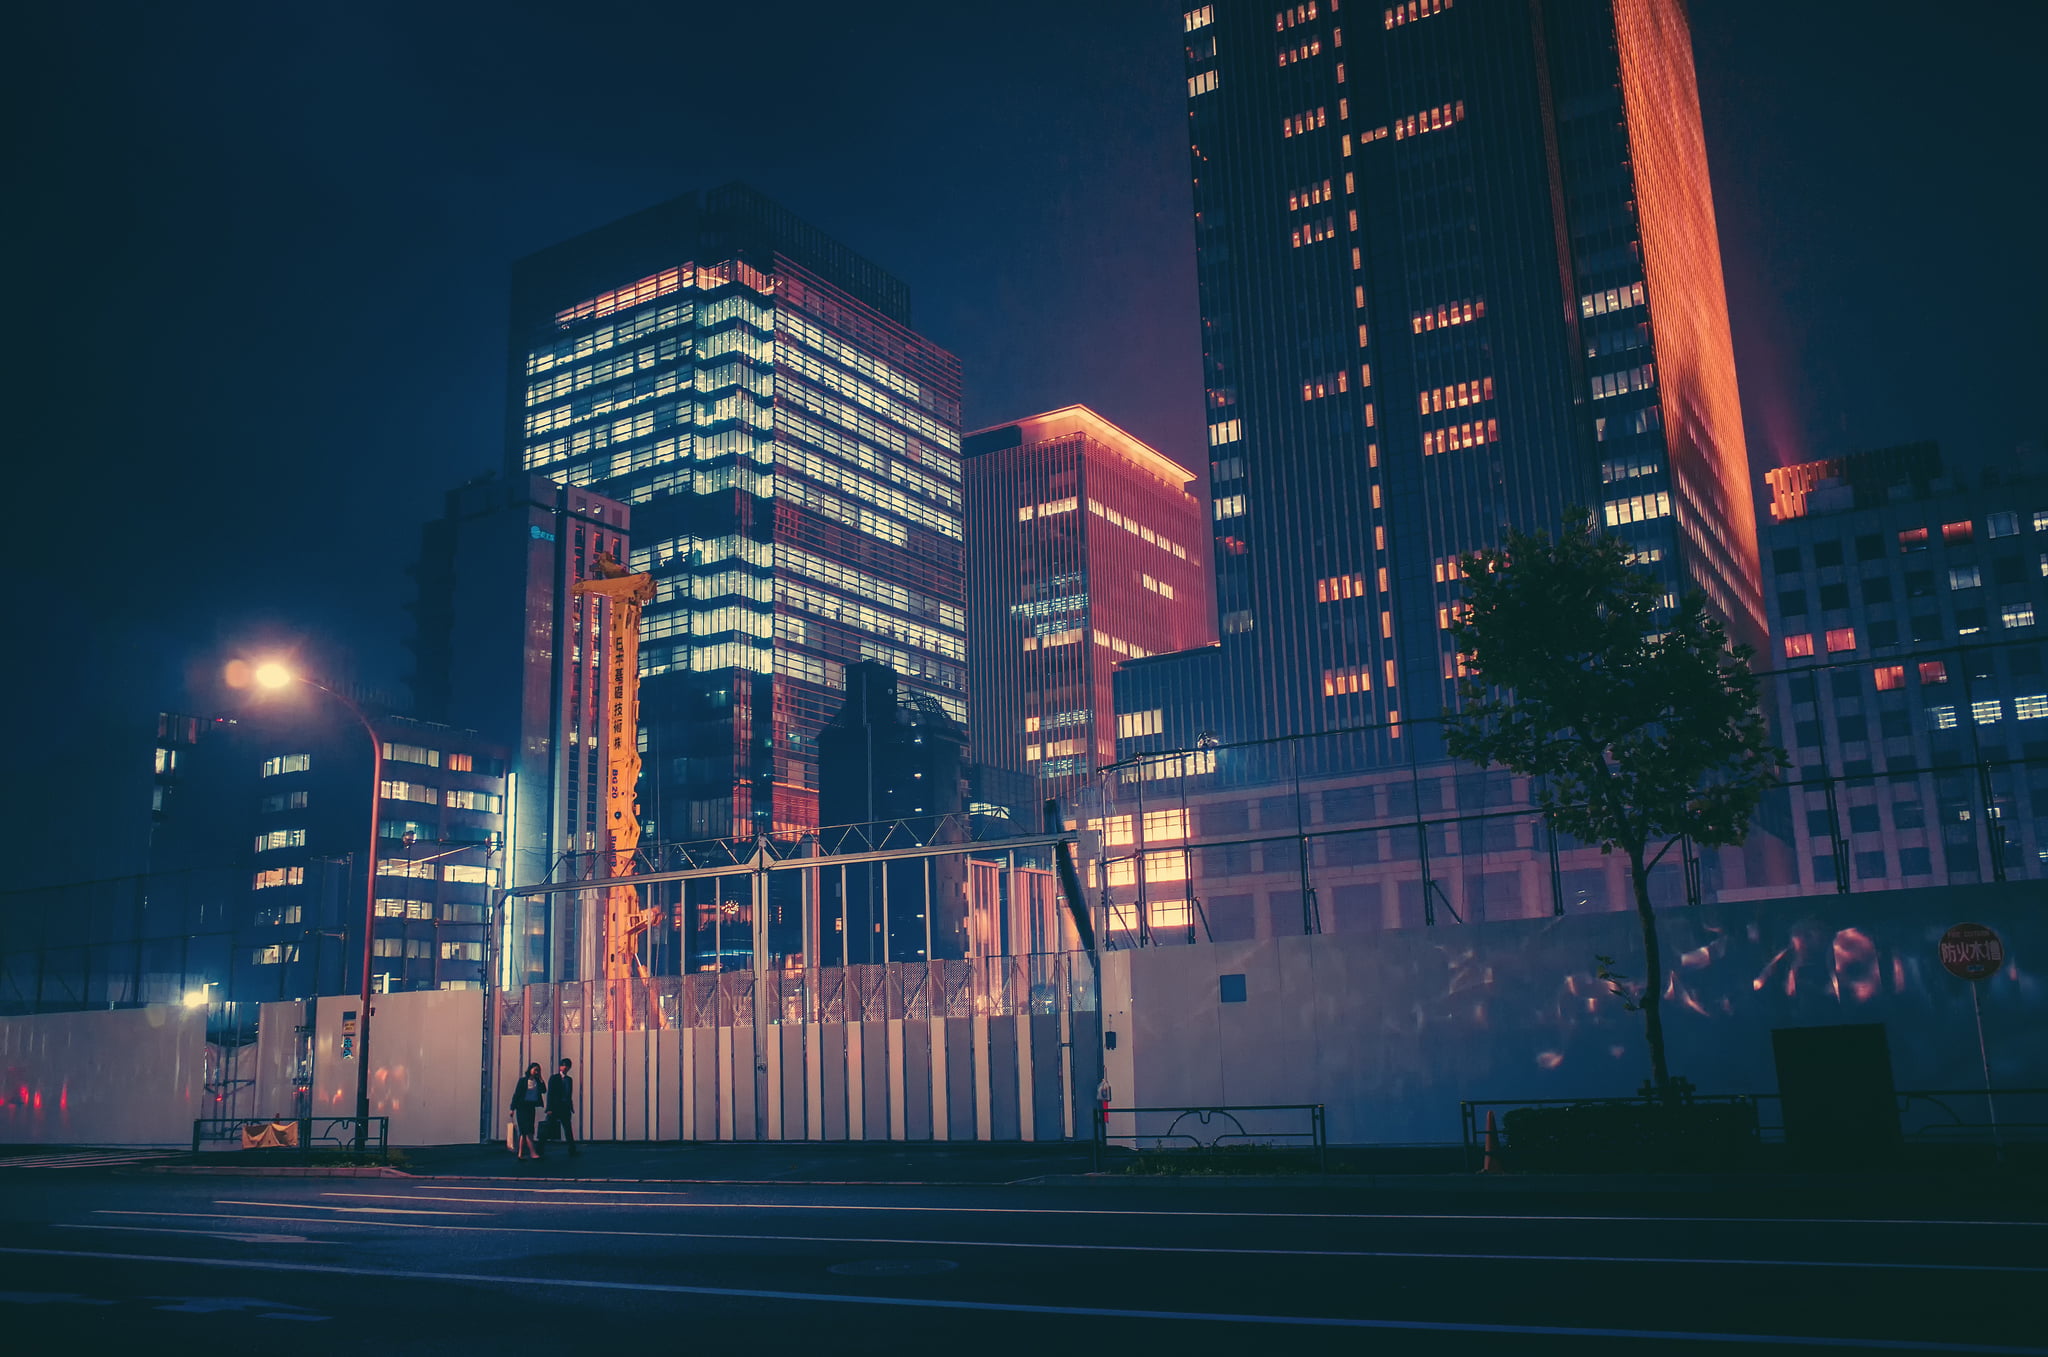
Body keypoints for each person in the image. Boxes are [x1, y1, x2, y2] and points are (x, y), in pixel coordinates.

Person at [511, 1062, 547, 1160]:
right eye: (535, 1069)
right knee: (528, 1130)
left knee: (524, 1131)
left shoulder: (537, 1082)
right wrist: (512, 1108)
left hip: (531, 1107)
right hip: (521, 1106)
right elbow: (517, 1094)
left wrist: (540, 1078)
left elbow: (544, 1090)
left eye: (538, 1070)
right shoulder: (523, 1081)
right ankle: (532, 1152)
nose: (536, 1072)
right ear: (530, 1069)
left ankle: (520, 1153)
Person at [545, 1058, 578, 1156]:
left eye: (567, 1066)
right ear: (560, 1066)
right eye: (563, 1065)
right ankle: (539, 1148)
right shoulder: (554, 1078)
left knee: (568, 1129)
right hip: (555, 1107)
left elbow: (569, 1094)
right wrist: (549, 1108)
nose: (564, 1067)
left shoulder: (569, 1079)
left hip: (565, 1107)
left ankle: (572, 1150)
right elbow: (550, 1093)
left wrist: (571, 1106)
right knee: (548, 1127)